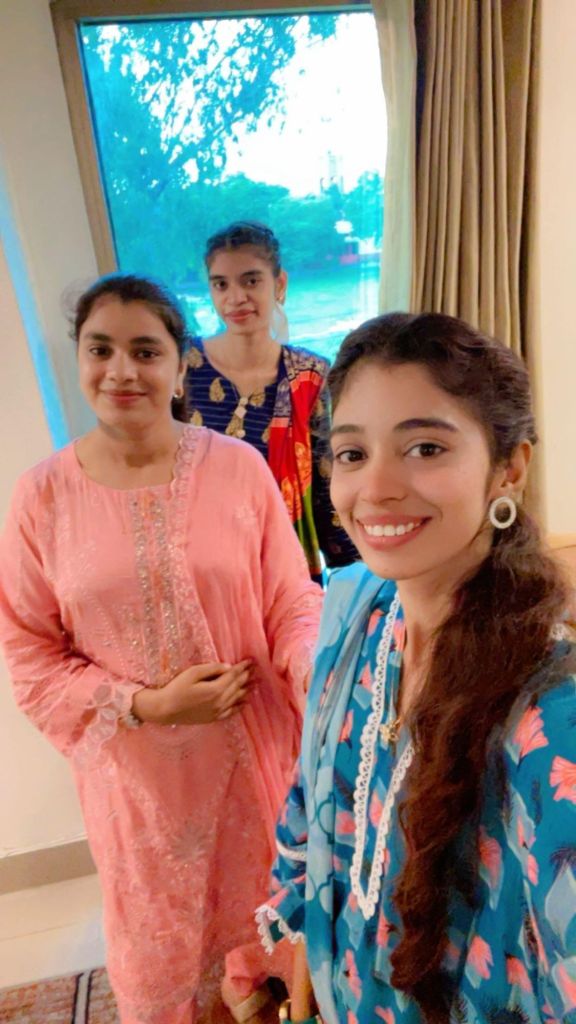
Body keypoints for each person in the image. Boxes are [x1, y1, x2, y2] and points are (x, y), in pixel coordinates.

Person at [0, 274, 323, 1024]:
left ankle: (256, 982)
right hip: (137, 785)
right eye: (100, 350)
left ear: (180, 367)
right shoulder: (41, 497)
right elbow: (30, 653)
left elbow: (290, 599)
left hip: (253, 757)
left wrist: (316, 670)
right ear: (79, 360)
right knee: (163, 951)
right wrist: (145, 705)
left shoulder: (236, 468)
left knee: (272, 917)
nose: (122, 371)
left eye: (145, 351)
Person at [256, 313, 576, 1024]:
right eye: (351, 453)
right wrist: (303, 961)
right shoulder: (358, 618)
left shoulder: (551, 719)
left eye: (425, 447)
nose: (375, 488)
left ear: (509, 468)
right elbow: (314, 810)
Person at [184, 221, 357, 584]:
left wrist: (354, 578)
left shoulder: (308, 374)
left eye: (250, 281)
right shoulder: (184, 367)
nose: (235, 298)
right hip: (201, 563)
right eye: (221, 284)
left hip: (284, 563)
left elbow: (324, 480)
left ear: (279, 285)